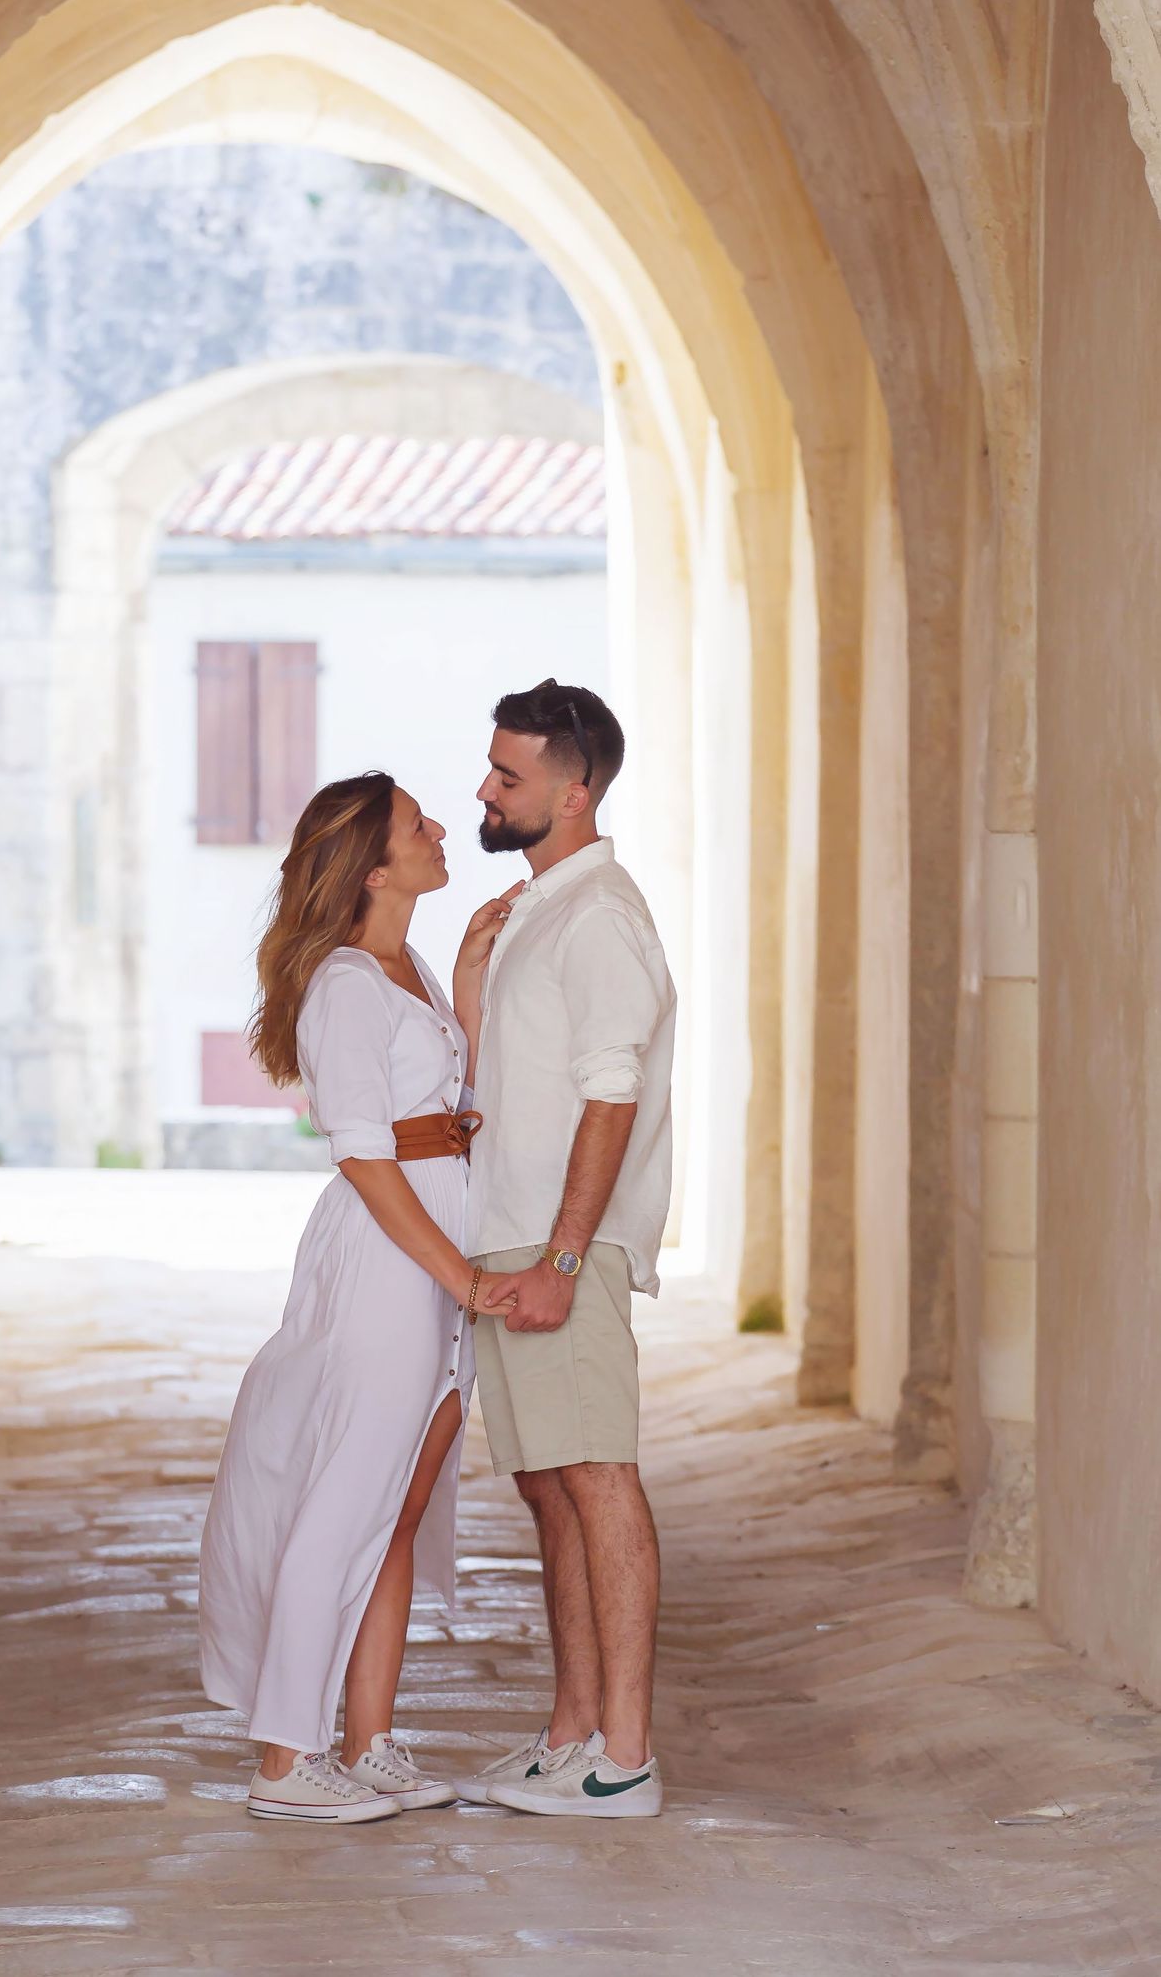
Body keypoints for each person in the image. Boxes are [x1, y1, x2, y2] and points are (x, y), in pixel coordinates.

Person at [198, 771, 525, 1824]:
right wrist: (460, 1274)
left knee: (399, 1507)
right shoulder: (344, 982)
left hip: (438, 1236)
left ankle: (370, 1739)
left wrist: (467, 981)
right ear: (375, 869)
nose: (441, 829)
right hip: (393, 1258)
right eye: (416, 826)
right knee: (344, 1500)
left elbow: (454, 1104)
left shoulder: (408, 966)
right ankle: (288, 1760)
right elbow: (365, 1157)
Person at [453, 679, 677, 1820]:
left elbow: (609, 1098)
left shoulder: (598, 918)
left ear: (574, 790)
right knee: (551, 1489)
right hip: (518, 1236)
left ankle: (624, 1756)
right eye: (492, 771)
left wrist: (567, 1258)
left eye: (508, 777)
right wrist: (467, 993)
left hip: (558, 1245)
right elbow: (521, 1086)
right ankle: (570, 1735)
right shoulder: (541, 906)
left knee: (598, 1479)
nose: (485, 791)